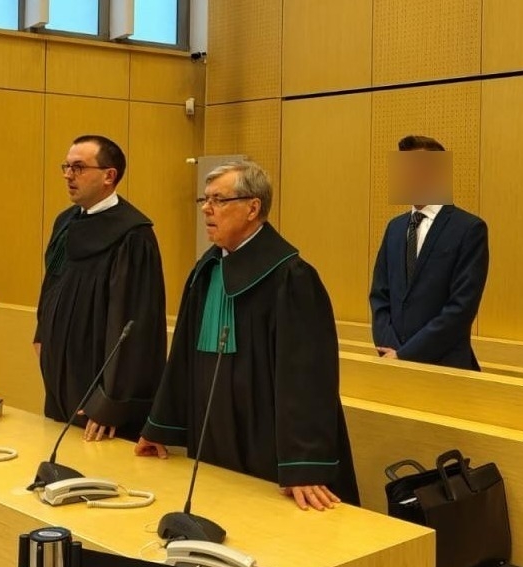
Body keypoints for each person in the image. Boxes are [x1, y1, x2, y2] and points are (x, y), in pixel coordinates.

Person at [136, 161, 359, 511]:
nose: (207, 209)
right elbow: (182, 358)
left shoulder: (291, 277)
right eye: (205, 200)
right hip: (213, 432)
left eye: (219, 200)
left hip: (265, 437)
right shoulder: (207, 271)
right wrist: (158, 427)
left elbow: (308, 378)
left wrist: (303, 465)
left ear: (253, 208)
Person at [34, 135, 166, 441]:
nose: (68, 175)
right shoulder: (65, 223)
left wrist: (111, 403)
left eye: (79, 168)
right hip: (59, 373)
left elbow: (134, 326)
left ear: (109, 175)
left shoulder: (133, 236)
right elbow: (52, 282)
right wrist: (42, 335)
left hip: (100, 384)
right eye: (66, 167)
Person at [370, 135, 489, 370]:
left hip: (445, 367)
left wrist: (406, 355)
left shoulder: (469, 229)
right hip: (392, 365)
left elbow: (460, 309)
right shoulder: (395, 228)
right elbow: (380, 296)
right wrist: (392, 351)